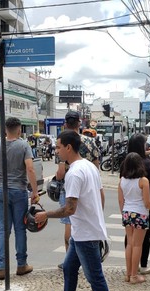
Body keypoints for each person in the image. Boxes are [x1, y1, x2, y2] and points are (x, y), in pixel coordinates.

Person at [37, 130, 119, 291]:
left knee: (95, 277)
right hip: (82, 231)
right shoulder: (90, 166)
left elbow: (69, 209)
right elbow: (99, 195)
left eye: (57, 147)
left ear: (68, 148)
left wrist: (45, 214)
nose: (55, 150)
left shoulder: (74, 173)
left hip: (86, 234)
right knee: (69, 268)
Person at [0, 117, 39, 279]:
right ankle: (21, 265)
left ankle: (1, 268)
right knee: (19, 228)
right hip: (19, 191)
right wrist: (35, 192)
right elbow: (30, 169)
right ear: (19, 130)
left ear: (5, 130)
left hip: (1, 191)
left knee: (3, 229)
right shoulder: (23, 145)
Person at [55, 111, 101, 270]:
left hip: (71, 187)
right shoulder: (90, 141)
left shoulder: (63, 143)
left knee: (69, 221)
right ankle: (74, 262)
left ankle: (71, 261)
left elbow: (60, 173)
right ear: (79, 123)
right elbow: (96, 165)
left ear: (66, 123)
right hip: (89, 187)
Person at [119, 153, 150, 284]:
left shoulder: (122, 180)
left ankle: (128, 273)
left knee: (129, 243)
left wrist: (124, 213)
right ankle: (134, 276)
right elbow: (147, 202)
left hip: (127, 213)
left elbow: (121, 201)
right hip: (140, 213)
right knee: (137, 245)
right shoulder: (143, 181)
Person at [126, 134, 150, 275]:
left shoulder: (125, 164)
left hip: (128, 207)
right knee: (144, 238)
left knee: (130, 239)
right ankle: (141, 266)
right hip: (144, 207)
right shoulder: (148, 164)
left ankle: (130, 269)